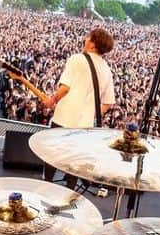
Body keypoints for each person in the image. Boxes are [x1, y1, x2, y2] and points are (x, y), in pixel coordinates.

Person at [42, 28, 116, 190]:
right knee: (74, 161)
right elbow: (108, 103)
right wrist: (91, 114)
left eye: (87, 37)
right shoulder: (106, 70)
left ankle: (46, 187)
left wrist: (52, 100)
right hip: (85, 125)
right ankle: (69, 193)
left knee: (52, 155)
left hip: (64, 118)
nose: (85, 39)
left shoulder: (77, 59)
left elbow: (65, 87)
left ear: (92, 43)